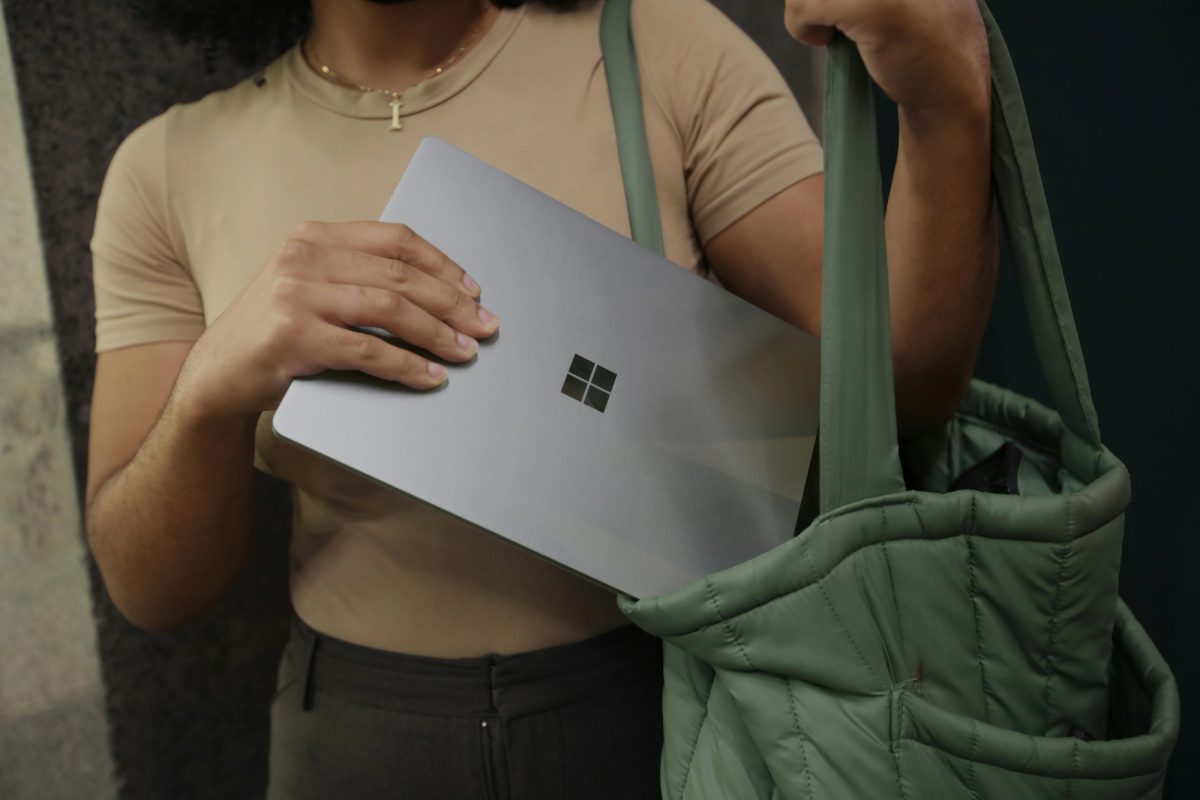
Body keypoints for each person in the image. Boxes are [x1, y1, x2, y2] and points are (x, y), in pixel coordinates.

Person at [84, 0, 996, 796]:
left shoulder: (657, 48)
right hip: (356, 730)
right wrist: (204, 398)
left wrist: (947, 103)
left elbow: (901, 388)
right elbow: (151, 589)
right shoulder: (169, 167)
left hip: (671, 698)